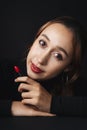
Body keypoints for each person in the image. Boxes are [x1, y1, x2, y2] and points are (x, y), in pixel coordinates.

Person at [0, 16, 87, 116]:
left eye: (58, 56)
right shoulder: (5, 70)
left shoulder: (75, 86)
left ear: (69, 66)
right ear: (35, 40)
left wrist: (51, 103)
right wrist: (13, 107)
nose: (41, 60)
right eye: (42, 43)